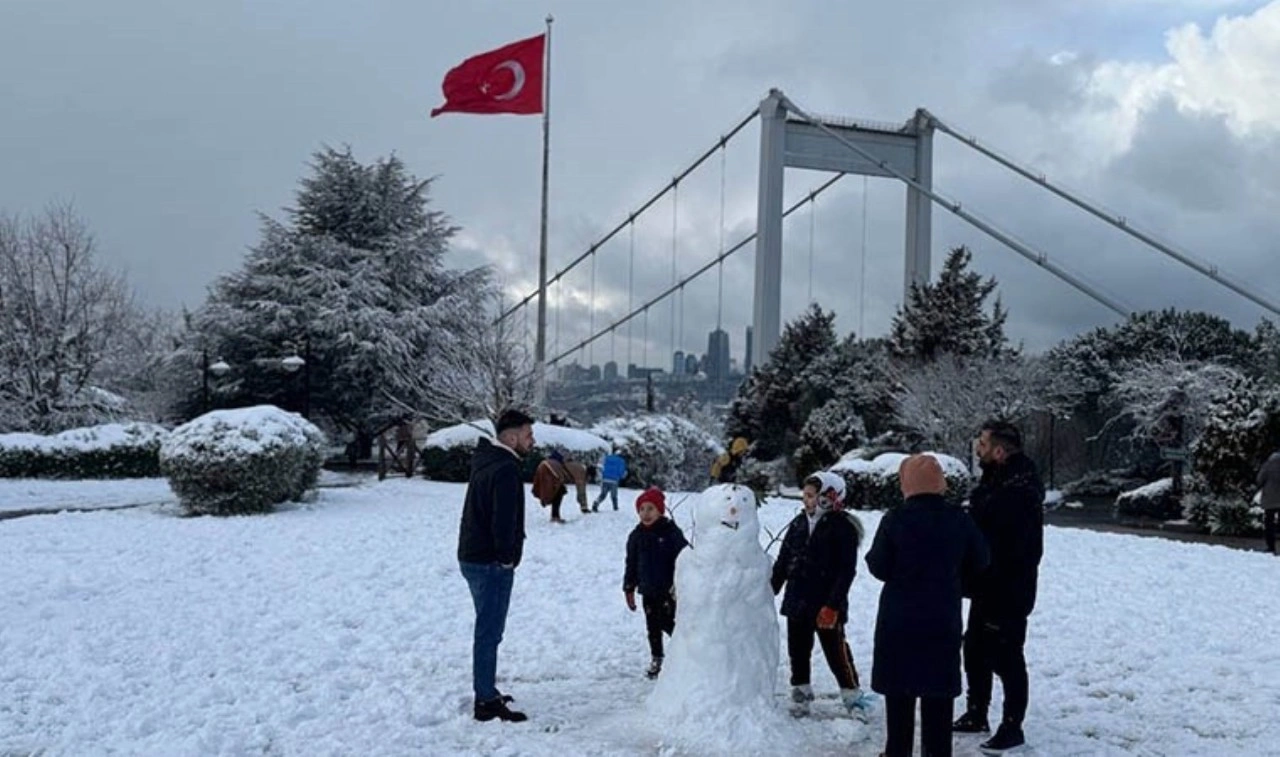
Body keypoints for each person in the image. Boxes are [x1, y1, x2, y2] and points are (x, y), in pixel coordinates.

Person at [866, 455, 990, 757]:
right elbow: (982, 560)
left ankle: (898, 751)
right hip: (941, 616)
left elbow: (878, 565)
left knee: (899, 695)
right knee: (938, 695)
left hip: (899, 619)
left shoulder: (895, 519)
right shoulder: (959, 519)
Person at [954, 420, 1045, 755]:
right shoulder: (997, 481)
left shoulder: (1018, 490)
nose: (978, 448)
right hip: (985, 585)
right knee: (975, 648)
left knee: (1006, 655)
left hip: (1008, 587)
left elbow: (1013, 544)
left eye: (982, 443)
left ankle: (1012, 726)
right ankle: (977, 711)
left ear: (999, 450)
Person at [770, 470, 873, 721]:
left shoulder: (842, 527)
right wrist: (770, 588)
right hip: (798, 598)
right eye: (804, 495)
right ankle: (801, 691)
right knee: (798, 649)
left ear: (829, 496)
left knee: (835, 650)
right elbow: (784, 560)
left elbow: (846, 570)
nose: (806, 500)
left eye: (811, 495)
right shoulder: (798, 523)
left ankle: (851, 694)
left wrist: (833, 605)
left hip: (826, 602)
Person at [457, 408, 535, 723]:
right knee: (489, 631)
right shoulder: (505, 468)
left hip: (472, 556)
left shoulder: (487, 459)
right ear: (512, 436)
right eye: (528, 435)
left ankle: (486, 688)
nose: (533, 441)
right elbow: (503, 520)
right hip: (490, 562)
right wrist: (507, 558)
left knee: (487, 629)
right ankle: (486, 700)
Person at [623, 486, 688, 679]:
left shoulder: (670, 532)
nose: (646, 513)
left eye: (650, 508)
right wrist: (629, 587)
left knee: (669, 624)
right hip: (648, 590)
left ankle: (686, 654)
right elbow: (631, 563)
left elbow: (685, 557)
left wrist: (683, 581)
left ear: (660, 510)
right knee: (652, 626)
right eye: (642, 509)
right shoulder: (636, 536)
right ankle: (657, 657)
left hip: (668, 590)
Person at [532, 449, 569, 523]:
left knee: (555, 498)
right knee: (557, 499)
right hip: (554, 484)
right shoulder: (557, 463)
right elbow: (561, 477)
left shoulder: (544, 462)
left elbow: (537, 476)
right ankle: (555, 516)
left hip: (545, 482)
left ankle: (555, 516)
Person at [1257, 450, 1280, 555]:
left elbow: (1260, 479)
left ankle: (1271, 547)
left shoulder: (1268, 464)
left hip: (1270, 499)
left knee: (1269, 523)